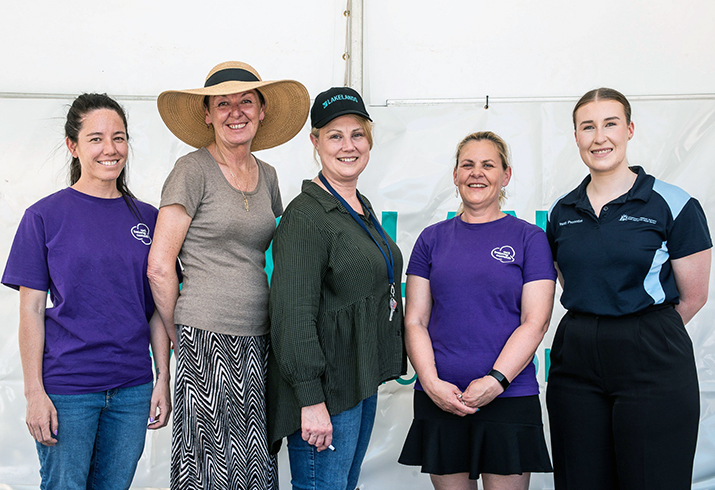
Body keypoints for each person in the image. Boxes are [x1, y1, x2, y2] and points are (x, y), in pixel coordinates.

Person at [148, 61, 309, 490]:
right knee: (213, 466)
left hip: (261, 338)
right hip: (206, 335)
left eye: (246, 102)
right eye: (223, 103)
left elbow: (276, 254)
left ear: (261, 112)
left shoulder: (269, 175)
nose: (235, 112)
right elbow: (160, 266)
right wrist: (177, 332)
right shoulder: (192, 169)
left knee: (255, 462)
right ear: (207, 114)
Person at [2, 93, 171, 489]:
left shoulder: (148, 218)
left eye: (119, 137)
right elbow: (30, 311)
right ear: (72, 146)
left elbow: (156, 310)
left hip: (132, 389)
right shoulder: (43, 217)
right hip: (68, 389)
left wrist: (162, 378)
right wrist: (34, 394)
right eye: (95, 138)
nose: (110, 149)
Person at [546, 87, 712, 490]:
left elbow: (694, 296)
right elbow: (574, 282)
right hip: (577, 356)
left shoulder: (673, 203)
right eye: (588, 127)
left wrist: (642, 332)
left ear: (630, 130)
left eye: (610, 124)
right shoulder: (562, 211)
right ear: (576, 137)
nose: (599, 136)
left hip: (651, 352)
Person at [398, 131, 556, 490]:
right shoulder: (431, 239)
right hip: (440, 399)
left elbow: (536, 321)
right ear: (455, 175)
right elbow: (415, 320)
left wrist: (496, 381)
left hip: (509, 398)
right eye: (467, 165)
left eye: (488, 165)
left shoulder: (529, 238)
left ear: (506, 175)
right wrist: (431, 383)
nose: (476, 173)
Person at [267, 86, 406, 490]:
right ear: (315, 142)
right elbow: (292, 317)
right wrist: (310, 400)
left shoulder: (358, 206)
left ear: (369, 139)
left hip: (357, 383)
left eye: (357, 134)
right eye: (334, 135)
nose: (348, 145)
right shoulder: (307, 216)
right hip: (325, 395)